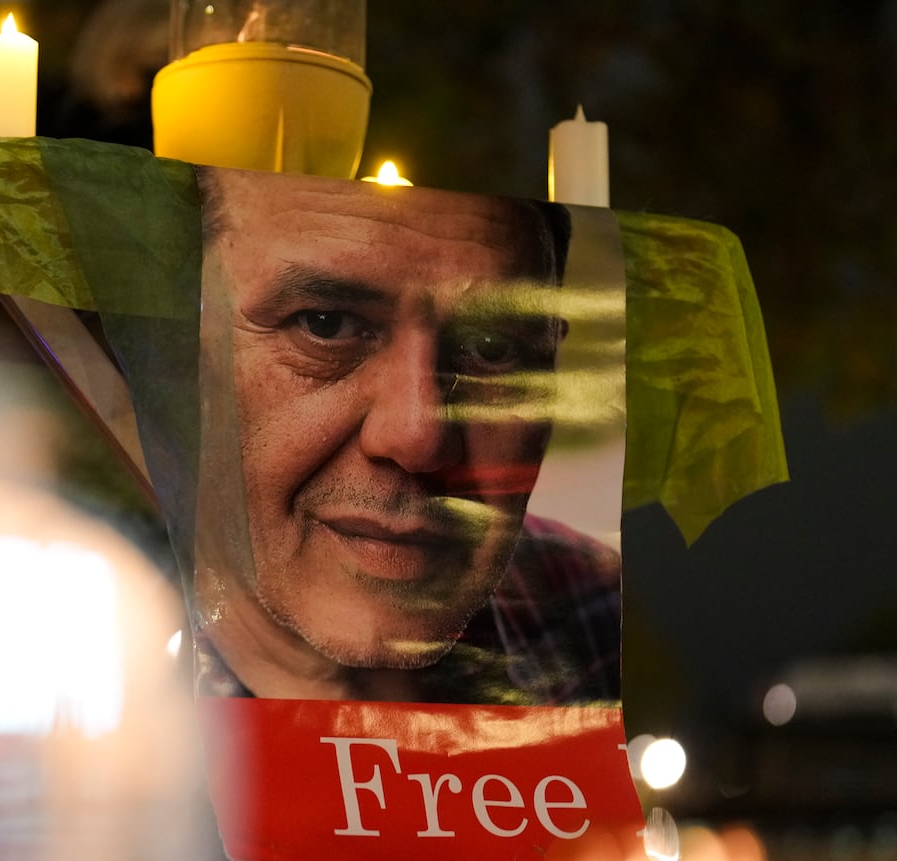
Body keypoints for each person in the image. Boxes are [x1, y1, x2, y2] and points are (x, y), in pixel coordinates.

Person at [191, 167, 620, 707]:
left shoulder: (594, 607)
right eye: (324, 325)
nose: (418, 437)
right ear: (183, 349)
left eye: (492, 347)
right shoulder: (83, 646)